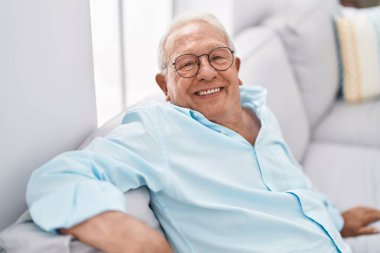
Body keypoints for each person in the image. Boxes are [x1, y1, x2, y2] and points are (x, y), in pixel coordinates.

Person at [26, 13, 380, 253]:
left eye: (217, 57)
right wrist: (121, 230)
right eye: (187, 63)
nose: (207, 72)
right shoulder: (158, 131)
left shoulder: (260, 111)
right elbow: (56, 177)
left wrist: (335, 219)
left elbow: (292, 184)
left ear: (236, 69)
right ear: (165, 85)